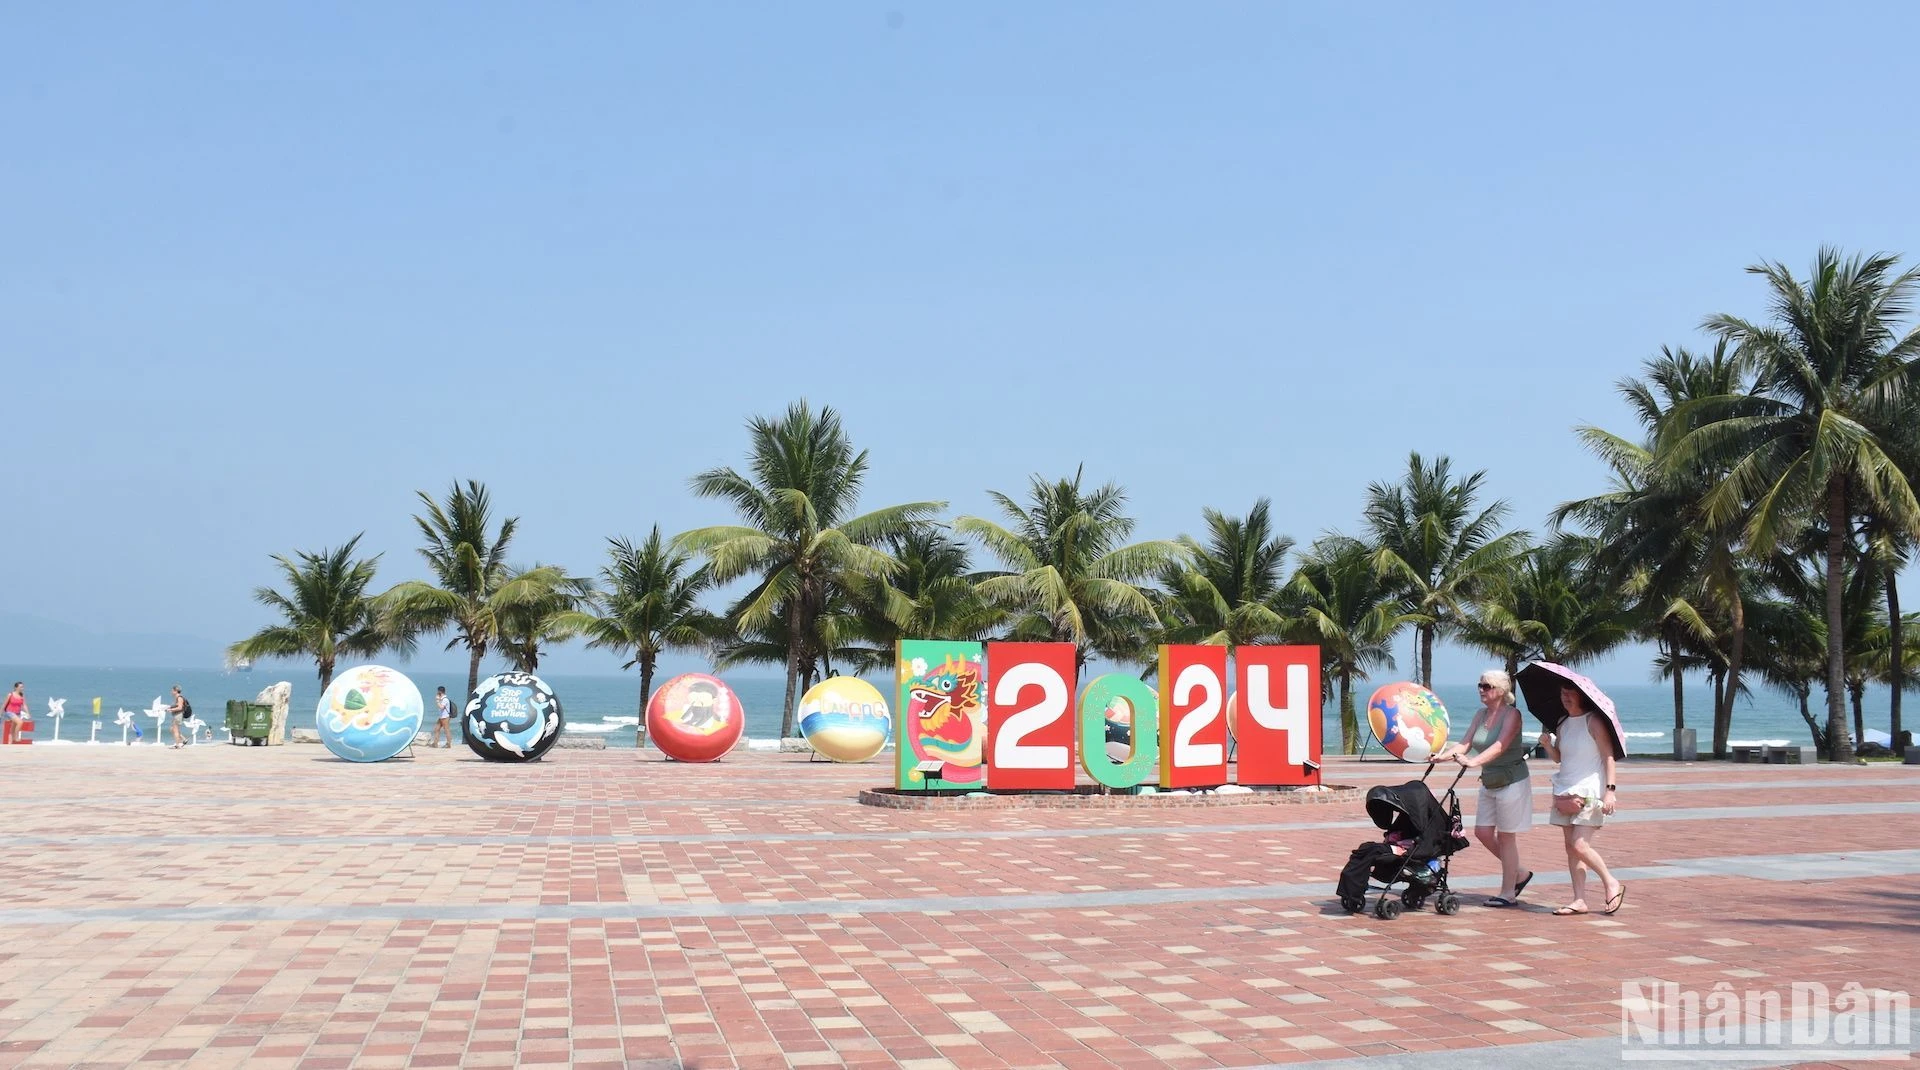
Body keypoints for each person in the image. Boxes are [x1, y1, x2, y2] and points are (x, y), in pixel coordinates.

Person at [1434, 670, 1534, 907]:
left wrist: (1473, 762)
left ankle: (1508, 892)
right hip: (1490, 780)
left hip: (1512, 781)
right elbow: (1465, 743)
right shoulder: (1480, 715)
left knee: (1506, 837)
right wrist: (1442, 757)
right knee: (1483, 832)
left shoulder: (1513, 715)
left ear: (1500, 690)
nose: (1481, 690)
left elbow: (1500, 746)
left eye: (1486, 686)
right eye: (1479, 685)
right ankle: (1519, 873)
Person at [1540, 682, 1625, 916]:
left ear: (1581, 696)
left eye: (1570, 693)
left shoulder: (1593, 721)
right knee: (1571, 848)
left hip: (1590, 793)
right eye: (1563, 692)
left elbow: (1609, 757)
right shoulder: (1562, 723)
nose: (1565, 697)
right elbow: (1560, 758)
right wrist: (1548, 746)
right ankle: (1579, 900)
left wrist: (1610, 790)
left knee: (1580, 845)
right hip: (1564, 789)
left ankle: (1610, 882)